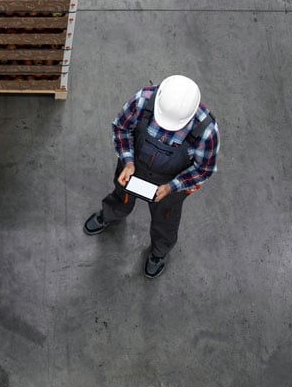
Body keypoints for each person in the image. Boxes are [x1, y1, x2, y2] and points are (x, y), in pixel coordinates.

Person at [84, 75, 220, 279]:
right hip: (134, 166)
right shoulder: (143, 99)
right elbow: (121, 129)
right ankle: (111, 213)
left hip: (170, 183)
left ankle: (158, 252)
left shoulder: (206, 131)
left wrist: (172, 187)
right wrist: (128, 161)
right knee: (122, 194)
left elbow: (203, 170)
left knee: (165, 218)